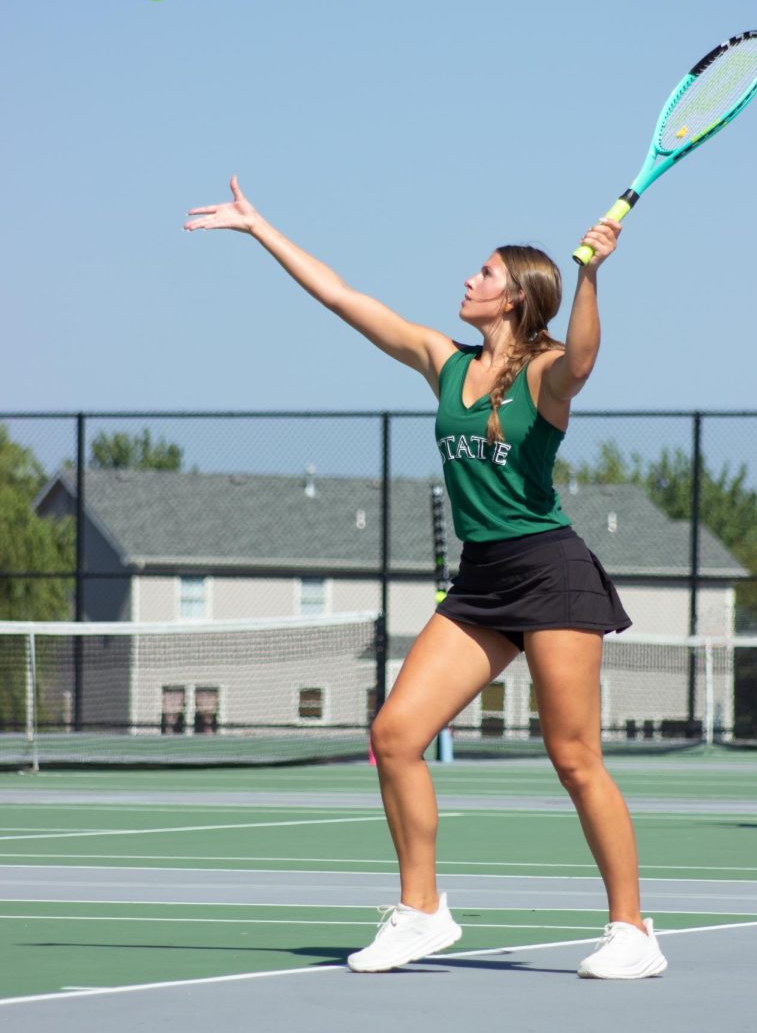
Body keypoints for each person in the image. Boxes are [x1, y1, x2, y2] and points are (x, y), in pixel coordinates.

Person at [185, 177, 667, 981]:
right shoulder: (444, 363)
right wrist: (259, 227)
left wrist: (592, 274)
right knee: (395, 737)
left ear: (515, 298)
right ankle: (422, 913)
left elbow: (583, 360)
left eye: (483, 274)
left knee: (574, 755)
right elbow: (343, 297)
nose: (466, 282)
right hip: (481, 581)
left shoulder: (547, 372)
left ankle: (633, 932)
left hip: (550, 572)